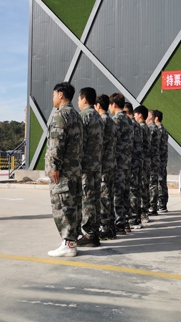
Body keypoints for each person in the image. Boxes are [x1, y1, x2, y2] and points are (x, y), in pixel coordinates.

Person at [45, 82, 83, 257]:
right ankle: (71, 242)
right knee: (73, 206)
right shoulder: (76, 115)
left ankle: (68, 243)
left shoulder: (61, 115)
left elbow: (56, 143)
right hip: (75, 170)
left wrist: (54, 166)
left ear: (61, 95)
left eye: (54, 95)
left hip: (63, 172)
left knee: (62, 206)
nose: (52, 98)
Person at [77, 87, 104, 247]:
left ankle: (88, 235)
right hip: (97, 164)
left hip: (86, 166)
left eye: (79, 99)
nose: (78, 103)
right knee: (94, 199)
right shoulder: (98, 117)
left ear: (84, 99)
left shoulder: (84, 116)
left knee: (86, 200)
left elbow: (79, 142)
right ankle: (94, 233)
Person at [109, 93, 133, 235]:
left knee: (117, 194)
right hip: (127, 162)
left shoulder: (116, 120)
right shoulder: (130, 121)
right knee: (124, 194)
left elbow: (113, 141)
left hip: (118, 162)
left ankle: (119, 225)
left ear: (114, 105)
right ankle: (126, 223)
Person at [95, 94, 118, 240]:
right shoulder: (111, 122)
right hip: (111, 163)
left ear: (98, 106)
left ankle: (105, 228)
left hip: (103, 165)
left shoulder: (101, 121)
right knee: (109, 196)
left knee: (104, 197)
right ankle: (111, 227)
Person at [124, 102, 143, 229]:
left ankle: (133, 218)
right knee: (135, 189)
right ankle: (136, 217)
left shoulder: (130, 124)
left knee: (131, 190)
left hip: (131, 162)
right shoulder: (137, 125)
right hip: (137, 161)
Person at [134, 105, 151, 225]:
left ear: (140, 115)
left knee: (141, 187)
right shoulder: (147, 127)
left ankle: (143, 213)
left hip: (141, 160)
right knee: (144, 187)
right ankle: (144, 212)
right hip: (146, 160)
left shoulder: (140, 127)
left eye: (135, 114)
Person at [146, 109, 160, 216]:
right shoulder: (156, 128)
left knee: (152, 184)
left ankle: (152, 206)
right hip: (155, 159)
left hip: (151, 159)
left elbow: (148, 144)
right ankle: (153, 206)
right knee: (153, 183)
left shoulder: (151, 128)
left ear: (150, 117)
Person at [154, 110, 169, 213]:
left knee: (159, 182)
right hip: (162, 159)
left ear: (156, 118)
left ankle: (161, 204)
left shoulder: (158, 130)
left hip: (159, 159)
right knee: (162, 181)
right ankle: (163, 204)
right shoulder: (163, 129)